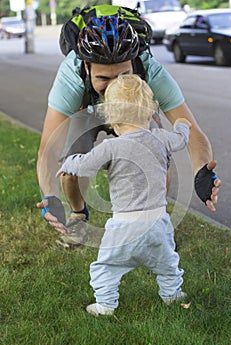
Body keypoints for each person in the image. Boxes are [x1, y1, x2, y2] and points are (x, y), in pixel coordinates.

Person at [36, 8, 221, 247]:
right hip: (91, 112)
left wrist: (201, 172)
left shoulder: (150, 70)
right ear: (87, 68)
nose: (114, 88)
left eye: (123, 75)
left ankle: (154, 221)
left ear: (133, 64)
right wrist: (50, 196)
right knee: (70, 163)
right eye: (104, 78)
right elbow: (47, 149)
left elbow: (192, 131)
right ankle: (79, 216)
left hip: (135, 110)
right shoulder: (70, 77)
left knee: (156, 154)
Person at [56, 74, 192, 315]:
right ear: (150, 114)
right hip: (159, 222)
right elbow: (181, 140)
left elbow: (85, 165)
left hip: (124, 226)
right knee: (167, 263)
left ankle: (106, 304)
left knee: (106, 266)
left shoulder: (111, 147)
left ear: (111, 120)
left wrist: (68, 164)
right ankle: (172, 295)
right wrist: (182, 125)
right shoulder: (160, 138)